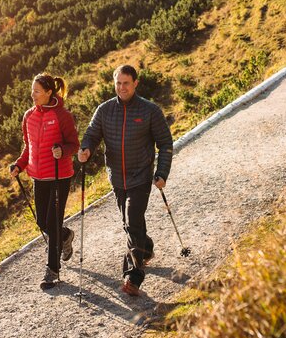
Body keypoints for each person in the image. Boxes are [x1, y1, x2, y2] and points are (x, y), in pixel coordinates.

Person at [78, 64, 173, 296]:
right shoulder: (104, 110)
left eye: (126, 83)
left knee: (132, 221)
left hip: (140, 177)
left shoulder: (149, 111)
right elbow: (92, 135)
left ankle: (133, 275)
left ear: (136, 83)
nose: (121, 87)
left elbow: (165, 143)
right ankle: (146, 247)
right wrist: (86, 149)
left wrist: (161, 173)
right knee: (131, 223)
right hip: (117, 178)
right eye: (118, 83)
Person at [10, 73, 78, 289]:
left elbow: (74, 144)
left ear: (49, 93)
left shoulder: (62, 115)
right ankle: (66, 236)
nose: (33, 95)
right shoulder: (28, 116)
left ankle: (52, 269)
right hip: (38, 176)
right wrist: (19, 165)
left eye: (37, 91)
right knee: (43, 222)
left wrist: (62, 150)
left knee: (53, 222)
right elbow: (28, 147)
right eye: (32, 90)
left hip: (59, 175)